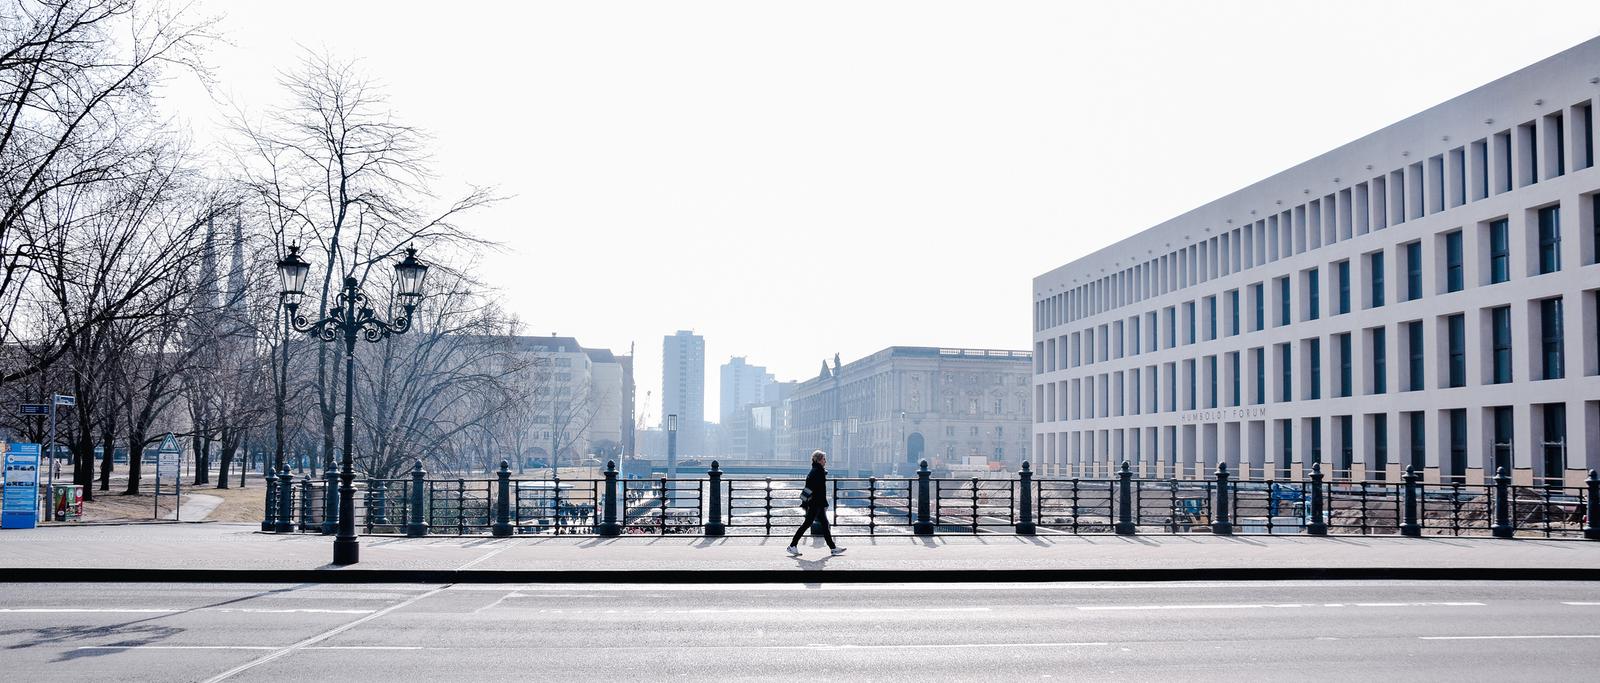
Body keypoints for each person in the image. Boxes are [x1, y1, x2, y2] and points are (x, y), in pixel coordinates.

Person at [786, 450, 845, 556]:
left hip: (816, 503)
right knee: (808, 525)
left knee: (823, 525)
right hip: (816, 504)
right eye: (824, 459)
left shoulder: (816, 471)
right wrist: (824, 504)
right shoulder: (817, 472)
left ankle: (833, 547)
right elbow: (817, 490)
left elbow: (813, 489)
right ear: (818, 460)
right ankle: (792, 545)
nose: (825, 461)